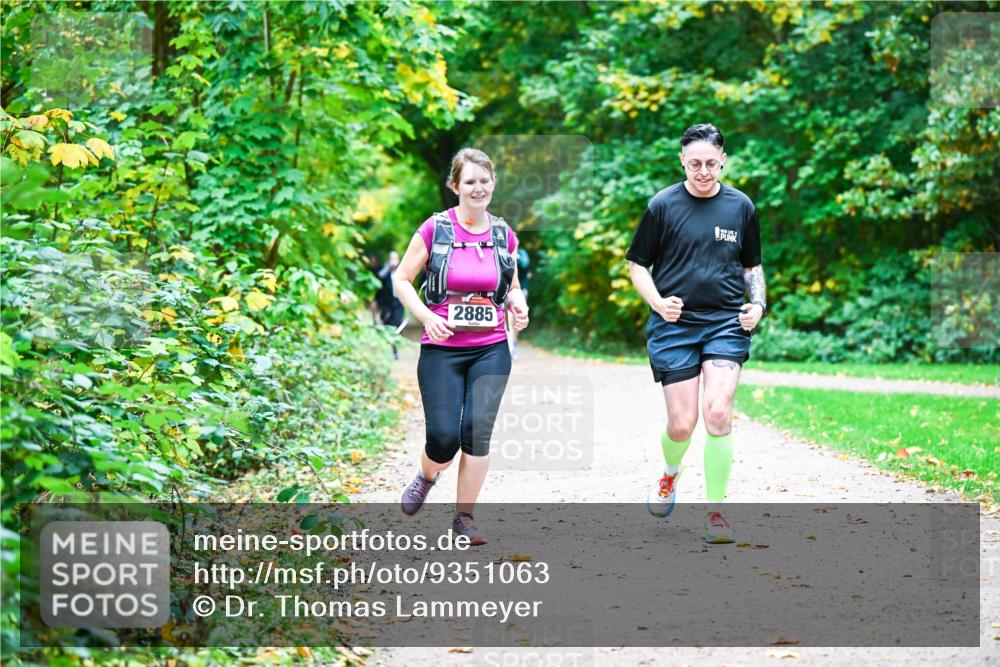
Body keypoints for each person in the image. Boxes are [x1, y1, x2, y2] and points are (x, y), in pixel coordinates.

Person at [625, 123, 766, 544]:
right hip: (674, 325)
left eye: (710, 163)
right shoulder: (662, 206)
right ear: (682, 162)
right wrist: (657, 303)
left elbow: (752, 267)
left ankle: (717, 513)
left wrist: (757, 305)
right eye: (694, 164)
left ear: (723, 160)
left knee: (718, 413)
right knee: (682, 424)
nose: (703, 171)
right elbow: (637, 265)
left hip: (725, 321)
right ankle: (670, 475)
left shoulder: (741, 207)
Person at [392, 148, 530, 545]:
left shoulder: (504, 234)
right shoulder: (436, 229)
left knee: (476, 432)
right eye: (469, 181)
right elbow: (402, 279)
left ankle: (464, 519)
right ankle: (427, 474)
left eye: (485, 180)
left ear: (493, 184)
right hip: (443, 349)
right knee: (443, 438)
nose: (478, 188)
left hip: (490, 348)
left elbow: (512, 287)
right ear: (455, 186)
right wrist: (428, 316)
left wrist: (518, 305)